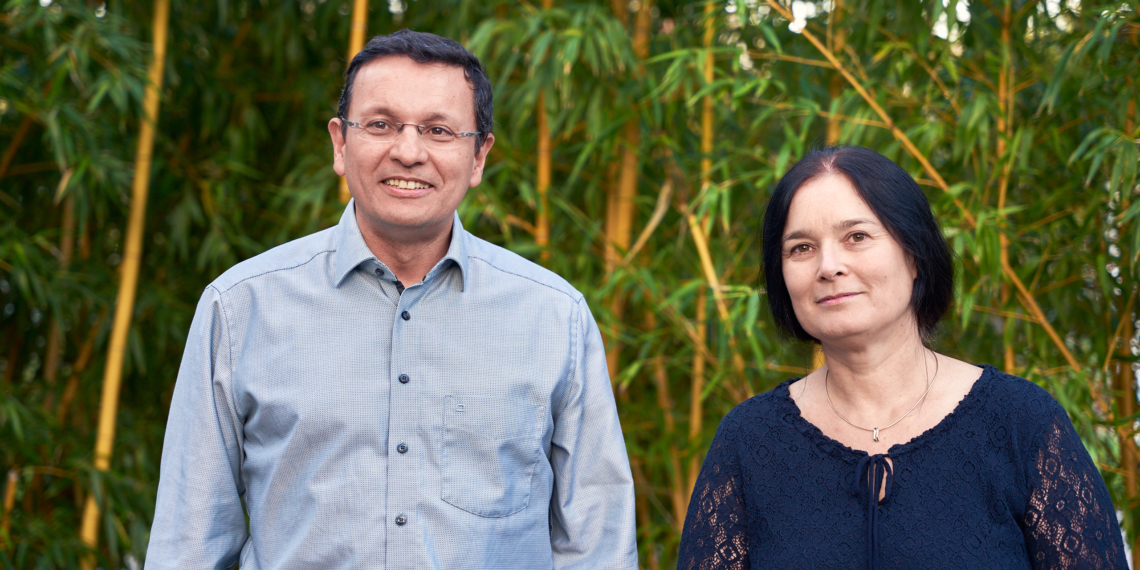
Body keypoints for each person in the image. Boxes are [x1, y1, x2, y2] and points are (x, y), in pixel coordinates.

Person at [145, 30, 638, 569]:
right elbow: (188, 545)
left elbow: (598, 547)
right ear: (340, 143)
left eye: (438, 130)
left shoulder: (553, 319)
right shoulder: (241, 309)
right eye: (380, 125)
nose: (408, 151)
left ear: (479, 156)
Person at [677, 146, 1128, 569]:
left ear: (914, 255)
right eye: (801, 248)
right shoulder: (749, 441)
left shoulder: (1020, 422)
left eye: (856, 236)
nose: (828, 266)